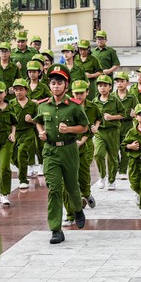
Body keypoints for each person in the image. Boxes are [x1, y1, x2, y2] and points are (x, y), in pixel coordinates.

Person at [34, 64, 88, 244]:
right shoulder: (43, 106)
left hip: (69, 149)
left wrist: (69, 129)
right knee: (55, 189)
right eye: (53, 83)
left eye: (59, 83)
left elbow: (84, 127)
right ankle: (55, 229)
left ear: (66, 85)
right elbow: (38, 122)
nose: (55, 86)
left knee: (72, 187)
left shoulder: (74, 106)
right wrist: (41, 132)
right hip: (50, 151)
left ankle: (78, 209)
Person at [65, 80, 98, 225]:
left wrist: (95, 127)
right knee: (71, 177)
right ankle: (72, 211)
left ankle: (86, 193)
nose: (79, 95)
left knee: (84, 173)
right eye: (76, 93)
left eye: (81, 93)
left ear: (87, 92)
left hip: (86, 144)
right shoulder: (68, 107)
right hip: (70, 145)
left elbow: (98, 119)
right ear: (72, 93)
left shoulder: (92, 107)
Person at [91, 74, 125, 190]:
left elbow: (123, 114)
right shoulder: (95, 101)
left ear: (110, 87)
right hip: (100, 132)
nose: (102, 88)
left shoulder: (115, 101)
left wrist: (112, 117)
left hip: (113, 131)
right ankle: (102, 176)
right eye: (100, 85)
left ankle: (112, 179)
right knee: (98, 154)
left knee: (113, 157)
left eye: (105, 85)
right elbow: (93, 117)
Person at [10, 79, 39, 190]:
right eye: (16, 89)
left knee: (22, 152)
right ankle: (22, 168)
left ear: (26, 90)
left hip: (28, 132)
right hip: (14, 133)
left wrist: (32, 120)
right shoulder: (11, 104)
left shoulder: (32, 105)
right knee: (13, 157)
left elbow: (39, 121)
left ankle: (23, 180)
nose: (18, 92)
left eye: (21, 89)